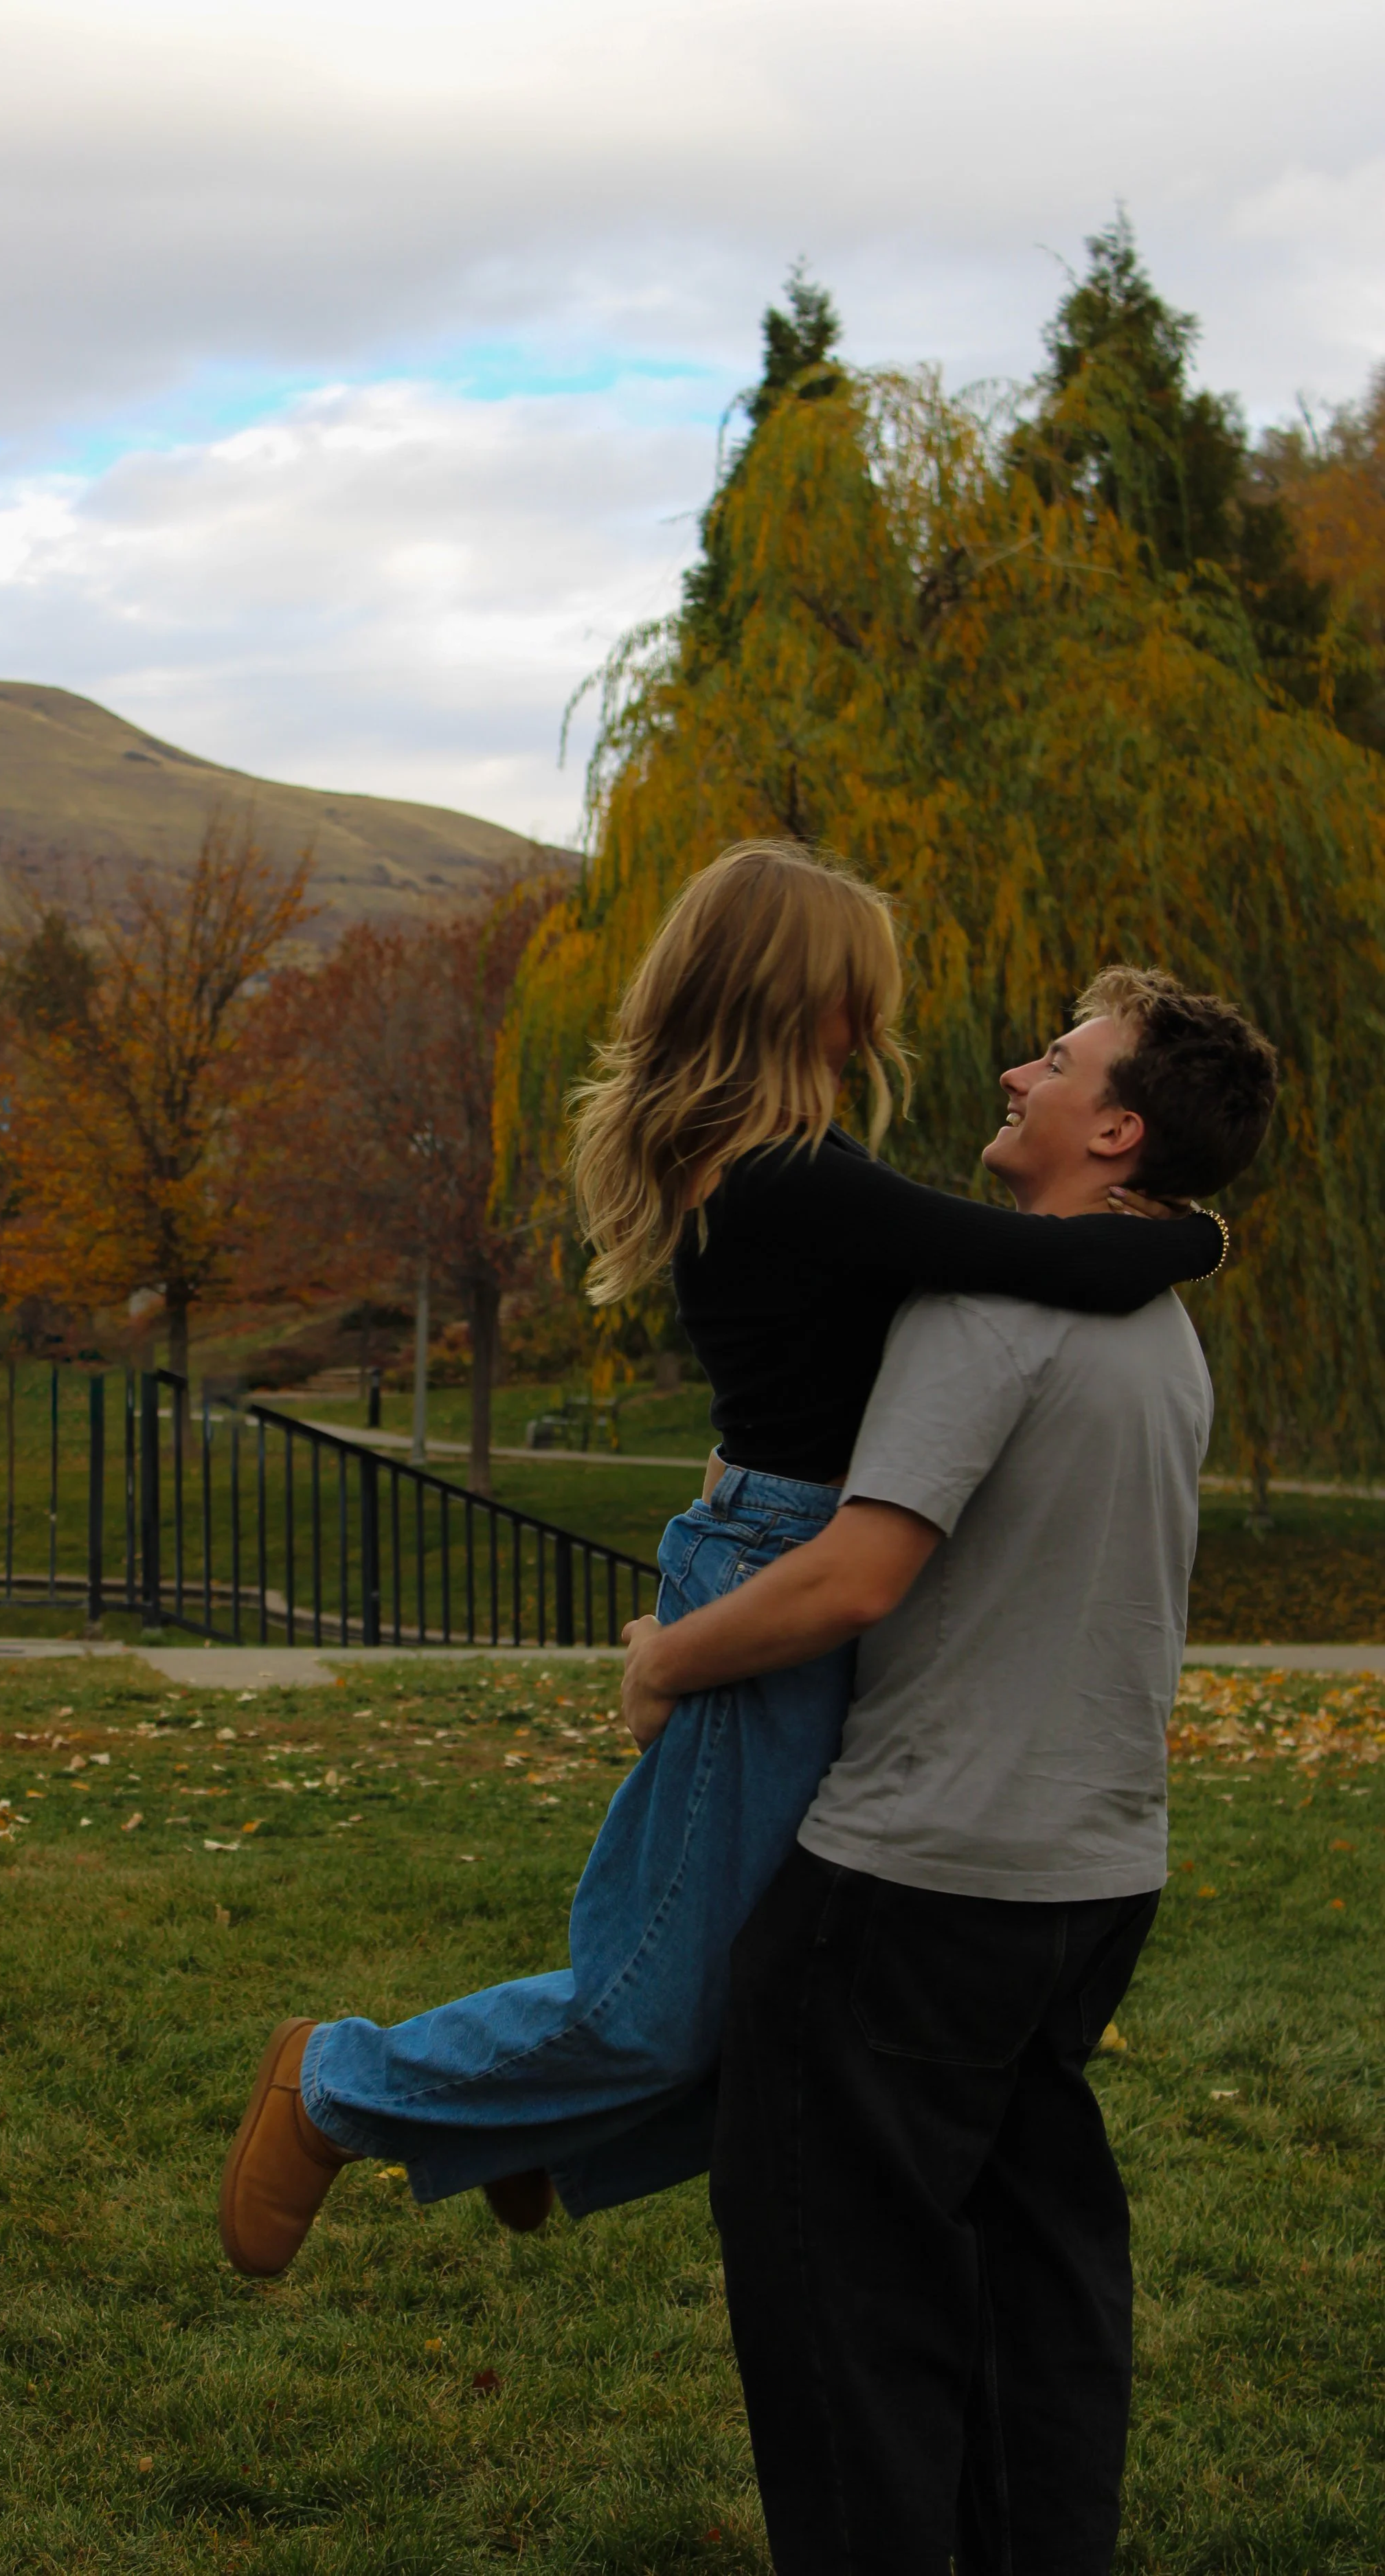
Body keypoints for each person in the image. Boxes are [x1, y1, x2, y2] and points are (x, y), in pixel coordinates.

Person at [216, 845, 1227, 2280]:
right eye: (857, 996)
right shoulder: (789, 1177)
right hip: (784, 1558)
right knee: (664, 2002)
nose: (879, 1024)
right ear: (796, 995)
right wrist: (1193, 1230)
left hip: (783, 1539)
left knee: (788, 1993)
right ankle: (335, 2088)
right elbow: (1050, 1263)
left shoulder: (775, 1169)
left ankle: (527, 2134)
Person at [619, 965, 1278, 2576]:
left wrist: (662, 1657)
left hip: (910, 1883)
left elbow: (854, 1578)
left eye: (1054, 1063)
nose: (1012, 1073)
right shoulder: (1156, 1321)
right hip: (1088, 1877)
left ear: (1113, 1129)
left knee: (845, 2319)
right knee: (1028, 2292)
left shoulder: (986, 1308)